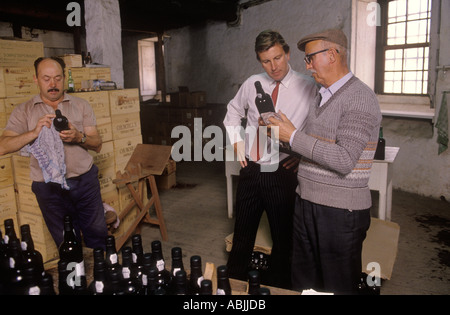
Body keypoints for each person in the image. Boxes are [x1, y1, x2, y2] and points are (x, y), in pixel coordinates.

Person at [268, 28, 382, 294]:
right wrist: (283, 135)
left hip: (340, 213)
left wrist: (293, 136)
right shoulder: (321, 96)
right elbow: (315, 147)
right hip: (306, 202)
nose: (307, 67)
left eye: (310, 59)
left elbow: (344, 159)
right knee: (304, 284)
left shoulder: (360, 98)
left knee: (337, 286)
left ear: (332, 55)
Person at [223, 30, 317, 289]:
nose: (273, 67)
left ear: (287, 54)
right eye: (266, 61)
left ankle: (278, 289)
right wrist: (237, 142)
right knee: (242, 235)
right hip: (252, 170)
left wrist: (302, 155)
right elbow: (232, 113)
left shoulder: (309, 87)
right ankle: (231, 288)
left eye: (277, 58)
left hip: (283, 172)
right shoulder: (252, 83)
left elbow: (316, 127)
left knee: (283, 239)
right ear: (259, 61)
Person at [0, 57, 108, 250]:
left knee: (98, 237)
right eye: (46, 78)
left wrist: (79, 137)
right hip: (48, 188)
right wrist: (33, 133)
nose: (53, 84)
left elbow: (97, 144)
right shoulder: (23, 111)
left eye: (58, 78)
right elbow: (3, 146)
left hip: (85, 183)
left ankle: (103, 278)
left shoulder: (81, 105)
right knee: (66, 244)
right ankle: (77, 277)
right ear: (36, 79)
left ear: (64, 77)